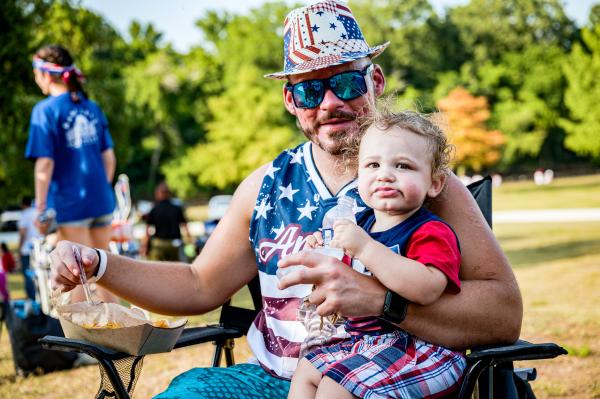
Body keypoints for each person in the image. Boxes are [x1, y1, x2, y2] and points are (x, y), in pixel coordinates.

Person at [49, 2, 522, 397]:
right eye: (310, 88)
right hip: (276, 377)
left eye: (347, 82)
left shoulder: (417, 184)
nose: (330, 102)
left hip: (377, 380)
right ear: (290, 101)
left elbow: (503, 314)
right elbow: (197, 285)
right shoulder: (265, 186)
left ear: (375, 82)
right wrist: (99, 263)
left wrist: (381, 301)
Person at [289, 108, 465, 398]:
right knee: (307, 370)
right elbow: (344, 280)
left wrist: (366, 248)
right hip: (368, 342)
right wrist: (324, 254)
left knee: (336, 386)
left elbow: (427, 289)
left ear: (435, 183)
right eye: (372, 165)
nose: (385, 175)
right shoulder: (362, 226)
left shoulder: (430, 232)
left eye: (403, 166)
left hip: (422, 346)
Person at [26, 45, 118, 304]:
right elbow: (109, 159)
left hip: (70, 205)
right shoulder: (92, 107)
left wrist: (41, 208)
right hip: (101, 201)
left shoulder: (44, 111)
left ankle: (83, 344)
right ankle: (119, 336)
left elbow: (44, 164)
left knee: (75, 276)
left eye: (36, 72)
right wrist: (99, 189)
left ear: (46, 74)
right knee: (106, 271)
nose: (35, 78)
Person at [141, 181, 191, 261]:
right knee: (175, 268)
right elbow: (185, 226)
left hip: (159, 244)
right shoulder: (176, 208)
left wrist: (144, 246)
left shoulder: (154, 209)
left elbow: (148, 231)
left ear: (159, 194)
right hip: (175, 243)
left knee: (158, 268)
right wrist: (190, 242)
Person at [18, 196, 42, 300]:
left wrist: (19, 247)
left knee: (28, 274)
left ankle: (32, 298)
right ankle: (40, 295)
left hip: (27, 249)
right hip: (39, 247)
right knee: (39, 273)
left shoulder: (24, 214)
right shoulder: (37, 212)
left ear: (23, 204)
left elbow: (23, 232)